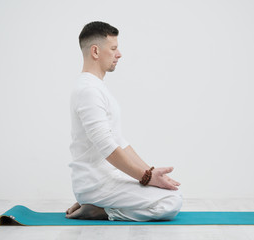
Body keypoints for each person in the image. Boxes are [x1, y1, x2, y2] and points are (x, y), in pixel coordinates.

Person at [65, 21, 182, 221]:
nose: (119, 54)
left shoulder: (96, 88)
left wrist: (152, 175)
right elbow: (107, 146)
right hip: (96, 183)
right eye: (113, 48)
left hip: (107, 180)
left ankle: (96, 204)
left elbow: (119, 141)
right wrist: (145, 177)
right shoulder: (88, 91)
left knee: (171, 194)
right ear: (95, 51)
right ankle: (100, 210)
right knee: (171, 202)